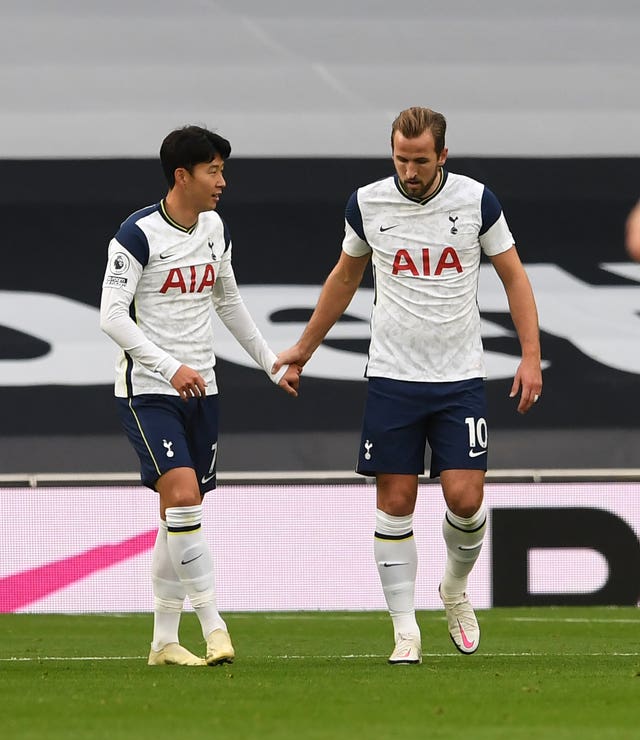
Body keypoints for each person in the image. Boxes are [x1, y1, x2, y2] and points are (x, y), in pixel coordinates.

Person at [273, 106, 542, 664]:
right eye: (401, 158)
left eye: (420, 160)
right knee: (395, 504)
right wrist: (302, 349)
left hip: (461, 375)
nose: (410, 170)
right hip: (393, 377)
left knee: (466, 501)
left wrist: (530, 357)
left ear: (442, 155)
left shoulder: (476, 200)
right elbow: (344, 277)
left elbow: (514, 275)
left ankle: (454, 589)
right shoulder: (368, 203)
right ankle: (404, 631)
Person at [100, 125, 300, 666]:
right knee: (184, 497)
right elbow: (112, 317)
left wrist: (269, 364)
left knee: (177, 515)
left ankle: (164, 641)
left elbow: (228, 300)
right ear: (181, 176)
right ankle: (215, 627)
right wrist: (169, 367)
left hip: (203, 390)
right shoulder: (137, 235)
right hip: (149, 391)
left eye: (223, 170)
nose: (222, 181)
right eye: (213, 170)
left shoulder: (214, 228)